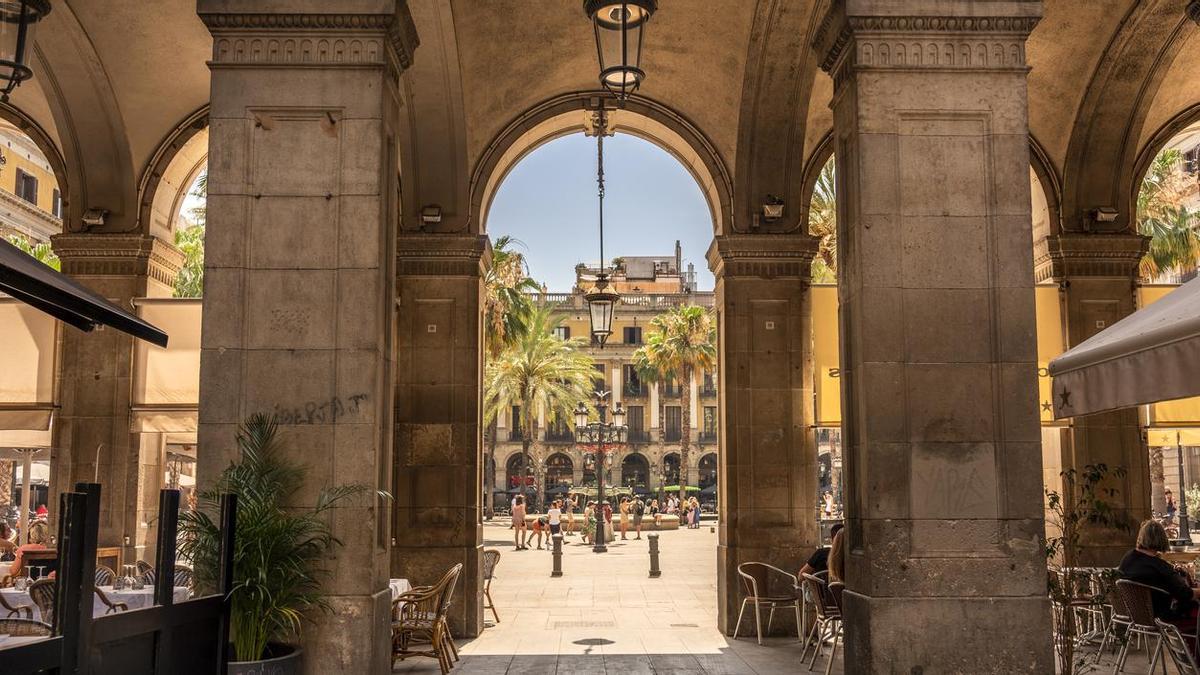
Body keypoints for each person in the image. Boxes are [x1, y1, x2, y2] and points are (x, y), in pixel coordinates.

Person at [1119, 519, 1200, 644]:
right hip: (1161, 616)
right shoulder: (1160, 568)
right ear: (1162, 539)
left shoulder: (1128, 558)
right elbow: (1186, 594)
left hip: (1133, 614)